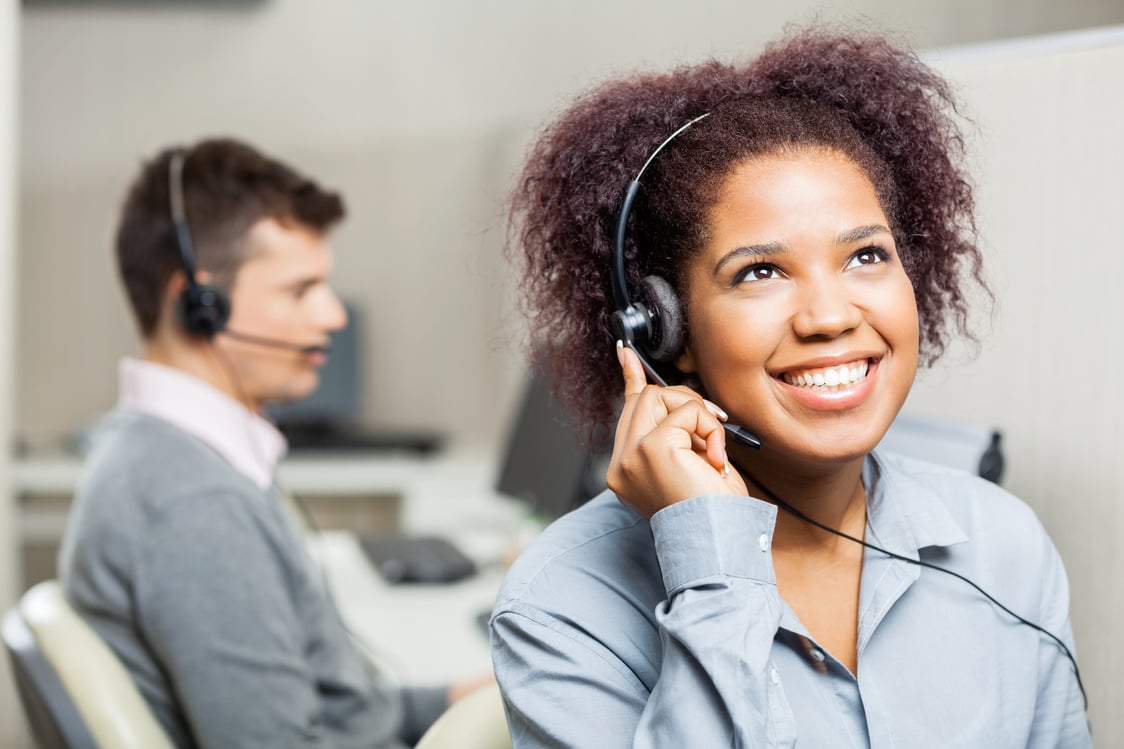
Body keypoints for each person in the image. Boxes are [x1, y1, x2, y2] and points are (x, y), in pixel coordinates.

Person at [490, 28, 1092, 748]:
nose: (832, 315)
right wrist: (710, 567)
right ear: (663, 330)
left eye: (866, 255)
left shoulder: (1002, 545)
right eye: (760, 272)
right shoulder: (562, 603)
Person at [58, 138, 485, 749]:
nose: (333, 316)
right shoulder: (192, 500)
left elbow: (335, 714)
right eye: (300, 289)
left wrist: (459, 699)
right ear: (200, 305)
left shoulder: (168, 456)